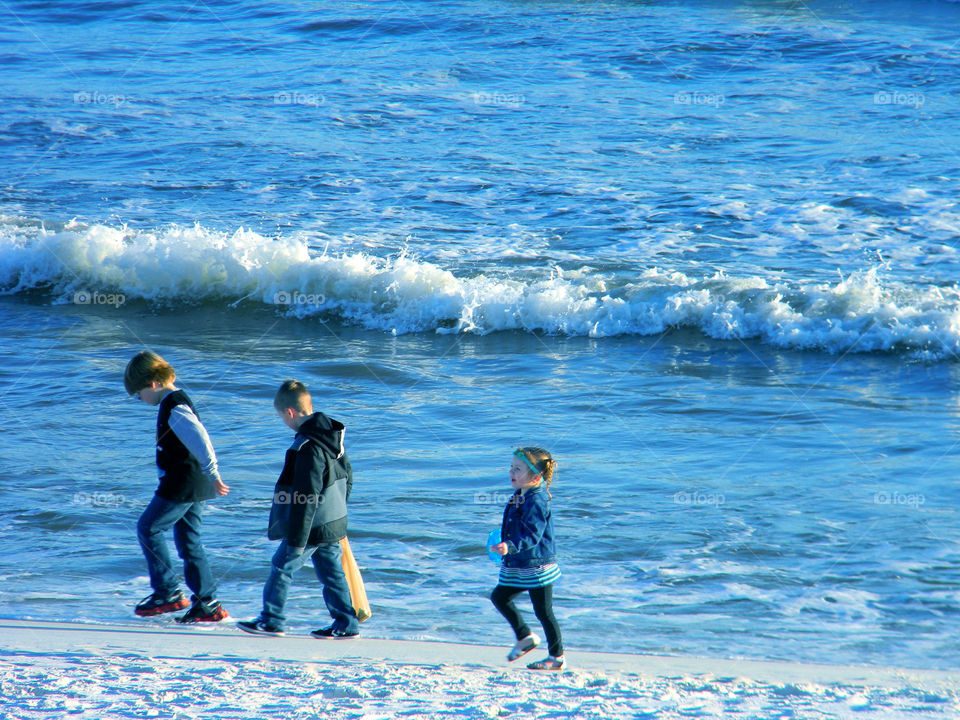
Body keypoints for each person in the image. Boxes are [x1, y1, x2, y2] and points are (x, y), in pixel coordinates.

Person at [238, 380, 359, 638]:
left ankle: (272, 620)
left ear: (290, 412)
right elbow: (348, 477)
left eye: (281, 416)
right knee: (331, 573)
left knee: (281, 565)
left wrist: (296, 540)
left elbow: (306, 497)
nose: (283, 421)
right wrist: (337, 509)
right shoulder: (333, 436)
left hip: (313, 525)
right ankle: (346, 624)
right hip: (334, 519)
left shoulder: (306, 447)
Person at [124, 350, 230, 623]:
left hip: (182, 484)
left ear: (154, 382)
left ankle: (167, 592)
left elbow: (201, 440)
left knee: (149, 527)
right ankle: (208, 603)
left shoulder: (174, 406)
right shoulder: (173, 402)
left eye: (139, 393)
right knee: (189, 541)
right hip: (194, 483)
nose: (140, 399)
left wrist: (214, 473)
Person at [489, 447, 565, 671]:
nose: (511, 472)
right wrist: (503, 541)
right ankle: (525, 637)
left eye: (518, 469)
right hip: (520, 562)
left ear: (536, 476)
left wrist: (510, 546)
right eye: (511, 468)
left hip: (537, 564)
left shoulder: (536, 500)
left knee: (543, 611)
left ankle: (557, 657)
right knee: (500, 597)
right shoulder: (520, 494)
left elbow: (533, 534)